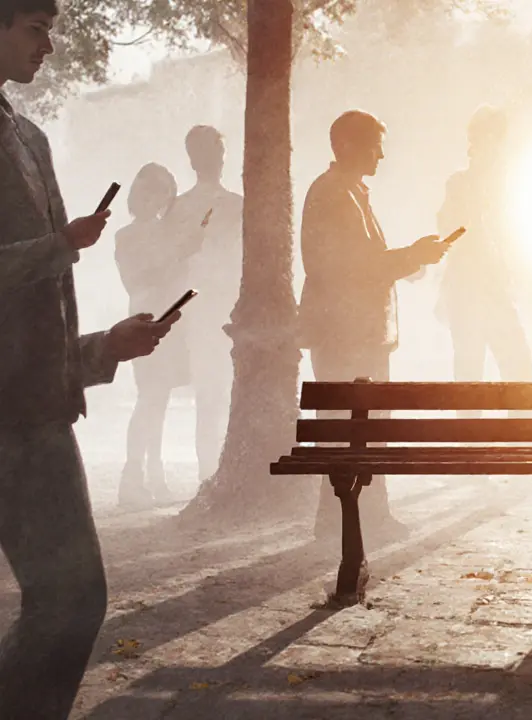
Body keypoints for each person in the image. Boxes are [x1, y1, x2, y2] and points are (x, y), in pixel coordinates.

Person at [0, 2, 178, 716]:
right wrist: (57, 246)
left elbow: (31, 315)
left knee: (72, 598)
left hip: (34, 410)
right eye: (35, 27)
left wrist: (104, 347)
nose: (50, 44)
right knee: (70, 598)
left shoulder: (29, 135)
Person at [299, 110, 451, 539]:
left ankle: (362, 516)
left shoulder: (346, 193)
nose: (381, 154)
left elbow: (360, 264)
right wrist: (411, 257)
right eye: (374, 144)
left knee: (361, 424)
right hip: (347, 334)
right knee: (348, 425)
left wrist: (409, 259)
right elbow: (350, 267)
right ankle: (343, 519)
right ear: (347, 145)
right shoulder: (333, 194)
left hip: (358, 333)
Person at [436, 106, 532, 394]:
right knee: (474, 374)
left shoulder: (505, 185)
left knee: (515, 369)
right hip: (472, 291)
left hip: (490, 290)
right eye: (489, 138)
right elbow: (454, 235)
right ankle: (477, 436)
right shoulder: (463, 184)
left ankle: (515, 436)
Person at [167, 125, 243, 482]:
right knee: (211, 393)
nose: (219, 159)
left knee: (220, 393)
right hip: (205, 309)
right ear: (196, 158)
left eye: (220, 152)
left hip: (226, 306)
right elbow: (176, 257)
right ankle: (208, 473)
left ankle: (215, 472)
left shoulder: (234, 203)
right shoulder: (184, 207)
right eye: (214, 152)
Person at [115, 163, 189, 508]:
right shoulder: (126, 236)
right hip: (142, 321)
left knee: (157, 402)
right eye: (147, 192)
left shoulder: (168, 232)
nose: (152, 200)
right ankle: (132, 479)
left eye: (160, 194)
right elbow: (136, 279)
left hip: (169, 323)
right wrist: (176, 256)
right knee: (149, 399)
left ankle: (153, 476)